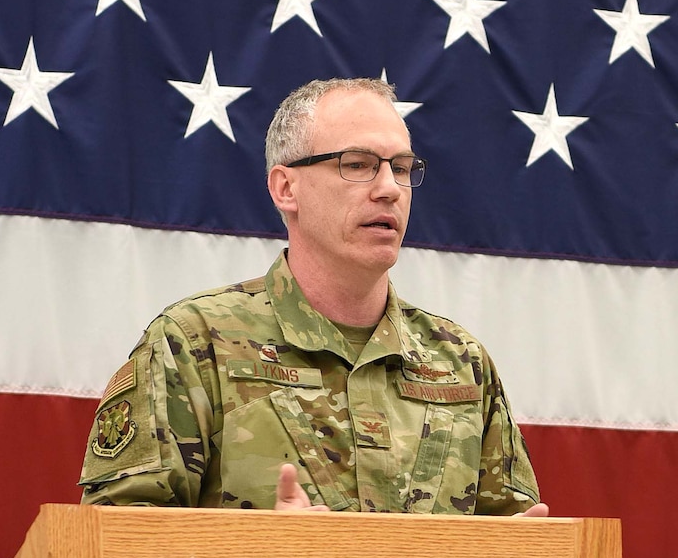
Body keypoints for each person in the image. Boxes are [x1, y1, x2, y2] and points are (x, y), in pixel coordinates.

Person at [79, 76, 548, 518]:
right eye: (358, 165)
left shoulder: (460, 361)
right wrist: (263, 557)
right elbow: (113, 551)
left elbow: (510, 549)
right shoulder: (194, 343)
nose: (389, 190)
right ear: (287, 188)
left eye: (402, 169)